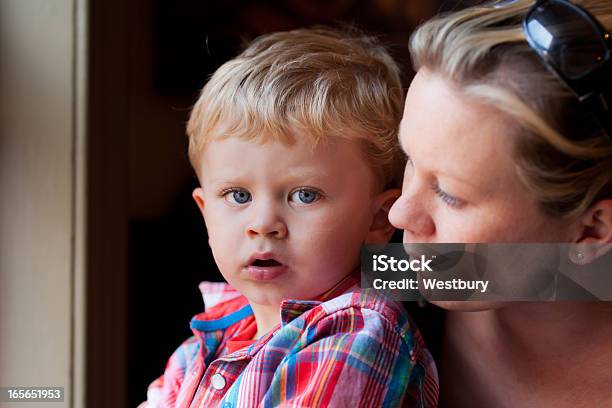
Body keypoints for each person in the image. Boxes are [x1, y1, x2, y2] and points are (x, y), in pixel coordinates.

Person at [140, 27, 438, 408]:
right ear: (205, 213)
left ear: (379, 219)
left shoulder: (358, 333)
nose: (263, 223)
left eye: (305, 195)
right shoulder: (205, 341)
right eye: (238, 195)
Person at [388, 0, 612, 406]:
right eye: (409, 159)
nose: (398, 213)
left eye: (449, 194)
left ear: (592, 230)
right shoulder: (385, 274)